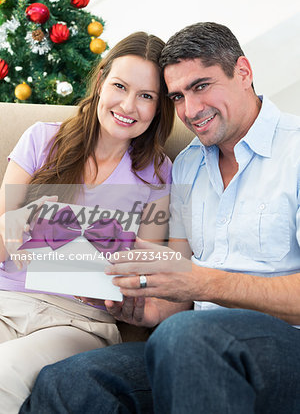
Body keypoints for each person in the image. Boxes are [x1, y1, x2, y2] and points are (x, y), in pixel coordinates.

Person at [20, 22, 300, 414]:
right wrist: (143, 306)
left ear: (243, 72)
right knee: (68, 380)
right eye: (178, 96)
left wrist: (202, 283)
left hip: (285, 349)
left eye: (201, 86)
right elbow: (175, 293)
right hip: (189, 347)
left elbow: (194, 283)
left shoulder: (295, 149)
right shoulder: (186, 169)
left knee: (185, 336)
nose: (191, 110)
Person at [0, 31, 174, 413]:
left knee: (3, 374)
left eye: (146, 96)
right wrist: (17, 220)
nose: (129, 105)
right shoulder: (41, 140)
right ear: (100, 82)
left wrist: (121, 276)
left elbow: (147, 272)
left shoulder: (157, 174)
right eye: (120, 86)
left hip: (78, 322)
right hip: (8, 300)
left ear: (159, 107)